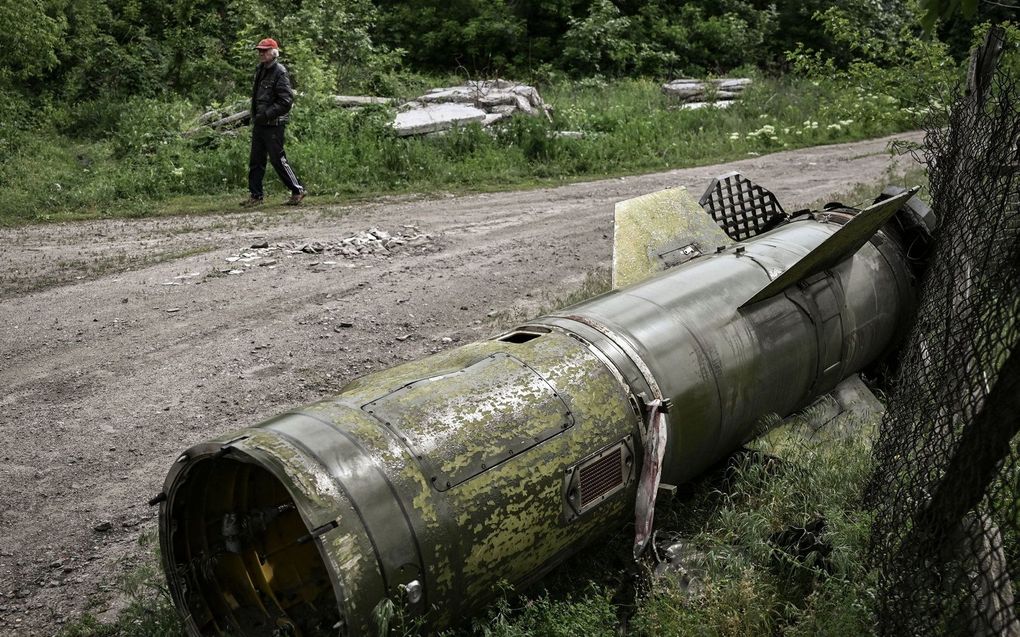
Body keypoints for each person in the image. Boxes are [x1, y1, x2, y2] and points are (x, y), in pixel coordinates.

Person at [241, 38, 306, 207]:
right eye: (260, 51)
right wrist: (256, 116)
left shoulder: (280, 72)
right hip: (260, 122)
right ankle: (256, 195)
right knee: (256, 160)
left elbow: (286, 101)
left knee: (278, 159)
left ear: (274, 53)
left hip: (274, 124)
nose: (261, 54)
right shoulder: (260, 69)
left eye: (265, 51)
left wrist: (267, 114)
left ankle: (298, 190)